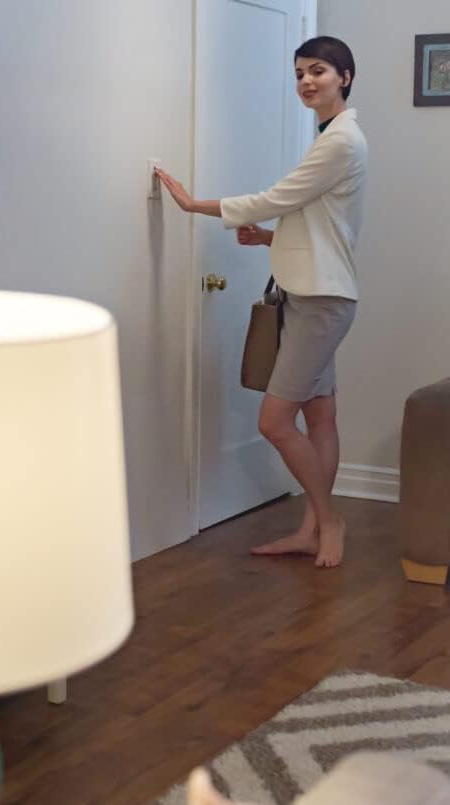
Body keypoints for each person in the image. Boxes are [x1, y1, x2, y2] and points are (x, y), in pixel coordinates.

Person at [157, 36, 368, 569]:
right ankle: (311, 528)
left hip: (321, 302)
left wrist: (192, 204)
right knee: (320, 416)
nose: (306, 81)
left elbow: (278, 197)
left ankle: (330, 519)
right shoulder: (328, 136)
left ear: (344, 76)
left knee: (275, 422)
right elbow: (327, 224)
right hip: (312, 293)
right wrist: (273, 240)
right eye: (299, 73)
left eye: (318, 70)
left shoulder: (340, 142)